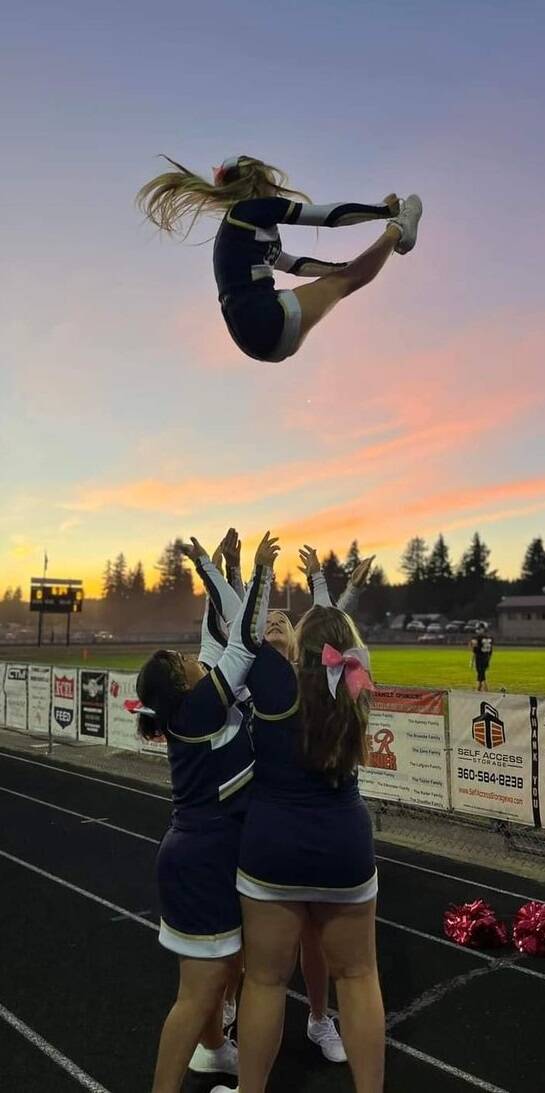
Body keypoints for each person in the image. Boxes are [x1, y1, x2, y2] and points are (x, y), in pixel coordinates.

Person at [198, 553, 384, 1093]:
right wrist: (330, 591)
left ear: (299, 647)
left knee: (264, 981)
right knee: (360, 976)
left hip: (271, 848)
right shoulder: (358, 683)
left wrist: (244, 574)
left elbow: (241, 626)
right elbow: (337, 634)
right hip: (345, 847)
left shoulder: (274, 683)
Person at [127, 532, 279, 1093]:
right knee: (197, 992)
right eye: (183, 663)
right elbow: (241, 641)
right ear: (181, 684)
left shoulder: (193, 702)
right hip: (202, 856)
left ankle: (215, 1051)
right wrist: (257, 574)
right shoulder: (198, 710)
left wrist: (218, 569)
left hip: (205, 850)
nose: (194, 658)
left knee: (223, 971)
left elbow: (214, 638)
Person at [137, 153, 422, 363]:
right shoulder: (251, 210)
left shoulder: (247, 230)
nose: (274, 187)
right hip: (264, 318)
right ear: (257, 180)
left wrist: (344, 266)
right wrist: (384, 210)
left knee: (345, 279)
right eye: (270, 181)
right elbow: (329, 217)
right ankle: (400, 227)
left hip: (255, 338)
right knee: (346, 282)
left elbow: (297, 266)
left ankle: (396, 233)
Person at [469, 624, 494, 692]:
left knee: (481, 675)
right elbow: (491, 651)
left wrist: (471, 661)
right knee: (481, 674)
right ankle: (478, 689)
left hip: (479, 658)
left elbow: (474, 649)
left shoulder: (478, 638)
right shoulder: (490, 638)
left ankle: (485, 689)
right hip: (486, 658)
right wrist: (489, 660)